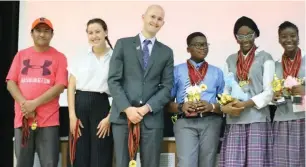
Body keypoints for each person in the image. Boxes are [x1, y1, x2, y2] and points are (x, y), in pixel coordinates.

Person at [108, 4, 174, 167]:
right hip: (123, 117)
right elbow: (113, 80)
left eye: (159, 19)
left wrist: (146, 108)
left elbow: (167, 88)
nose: (155, 21)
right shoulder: (123, 44)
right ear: (143, 17)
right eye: (152, 16)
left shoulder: (166, 52)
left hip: (151, 119)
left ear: (162, 24)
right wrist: (128, 109)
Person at [6, 17, 68, 167]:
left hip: (48, 121)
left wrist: (34, 104)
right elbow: (11, 83)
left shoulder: (59, 57)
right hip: (24, 119)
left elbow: (60, 85)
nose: (42, 34)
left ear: (52, 35)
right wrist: (25, 105)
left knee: (49, 163)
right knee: (23, 163)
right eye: (38, 31)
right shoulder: (21, 55)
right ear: (32, 33)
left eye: (46, 31)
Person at [218, 16, 275, 167]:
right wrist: (226, 105)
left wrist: (245, 104)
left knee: (256, 163)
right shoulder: (230, 60)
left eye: (249, 35)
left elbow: (269, 92)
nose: (245, 39)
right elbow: (226, 89)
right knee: (232, 163)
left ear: (256, 34)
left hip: (257, 119)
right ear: (236, 38)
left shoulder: (265, 58)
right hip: (235, 120)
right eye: (240, 36)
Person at [166, 32, 226, 167]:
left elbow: (225, 103)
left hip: (211, 122)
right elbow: (167, 103)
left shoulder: (217, 72)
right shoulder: (177, 71)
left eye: (205, 44)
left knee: (208, 163)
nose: (203, 48)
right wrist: (181, 107)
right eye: (198, 45)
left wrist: (211, 106)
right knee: (186, 163)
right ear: (188, 49)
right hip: (185, 122)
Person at [67, 18, 114, 167]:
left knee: (101, 154)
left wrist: (110, 117)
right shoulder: (81, 56)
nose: (94, 36)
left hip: (102, 107)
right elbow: (71, 86)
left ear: (106, 32)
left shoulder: (115, 57)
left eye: (98, 31)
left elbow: (120, 89)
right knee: (79, 153)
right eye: (90, 33)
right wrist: (72, 116)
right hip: (80, 105)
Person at [272, 21, 305, 166]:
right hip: (282, 118)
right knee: (282, 163)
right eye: (284, 36)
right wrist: (274, 97)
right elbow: (271, 93)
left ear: (298, 37)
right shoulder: (275, 65)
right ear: (279, 39)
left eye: (292, 36)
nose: (289, 40)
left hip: (304, 117)